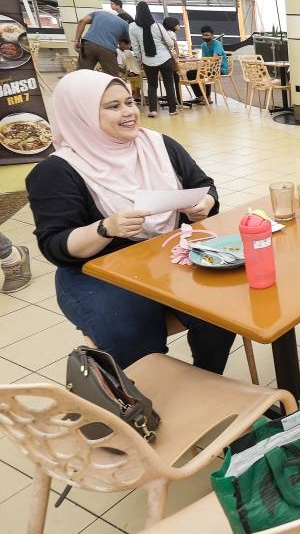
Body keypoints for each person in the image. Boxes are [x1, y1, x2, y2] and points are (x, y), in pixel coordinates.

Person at [25, 70, 235, 372]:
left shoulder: (158, 145)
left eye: (130, 102)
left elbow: (204, 184)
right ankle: (143, 401)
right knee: (132, 330)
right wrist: (105, 228)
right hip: (99, 273)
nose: (129, 113)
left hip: (165, 256)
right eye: (113, 107)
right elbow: (54, 245)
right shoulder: (58, 171)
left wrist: (205, 204)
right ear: (80, 115)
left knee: (222, 309)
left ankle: (206, 379)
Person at [129, 1, 177, 117]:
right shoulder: (157, 26)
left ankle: (153, 110)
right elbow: (170, 43)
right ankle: (172, 110)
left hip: (148, 61)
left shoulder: (132, 27)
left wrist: (140, 60)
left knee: (152, 85)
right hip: (165, 59)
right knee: (169, 84)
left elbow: (135, 48)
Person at [74, 8, 129, 73]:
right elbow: (126, 41)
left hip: (89, 44)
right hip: (108, 49)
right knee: (111, 76)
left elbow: (82, 21)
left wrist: (77, 40)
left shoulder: (98, 13)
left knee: (82, 73)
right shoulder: (125, 24)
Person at [188, 26, 228, 105]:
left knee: (204, 72)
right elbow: (204, 59)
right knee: (190, 73)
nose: (205, 37)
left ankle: (208, 97)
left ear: (212, 36)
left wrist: (205, 65)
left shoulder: (217, 44)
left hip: (219, 68)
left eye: (207, 35)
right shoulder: (203, 45)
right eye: (204, 35)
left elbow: (215, 57)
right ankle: (200, 96)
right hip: (208, 67)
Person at [161, 17, 184, 109]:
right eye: (178, 25)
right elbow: (175, 47)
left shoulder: (164, 33)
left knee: (169, 81)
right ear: (173, 26)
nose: (179, 26)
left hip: (164, 59)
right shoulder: (171, 34)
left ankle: (173, 99)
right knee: (176, 80)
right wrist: (177, 56)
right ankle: (178, 100)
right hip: (172, 60)